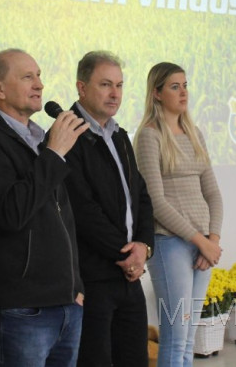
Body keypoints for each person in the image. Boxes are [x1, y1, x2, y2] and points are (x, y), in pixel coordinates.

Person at [0, 49, 89, 367]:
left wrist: (76, 286)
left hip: (65, 303)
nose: (39, 84)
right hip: (19, 307)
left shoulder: (41, 141)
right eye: (27, 76)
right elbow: (12, 212)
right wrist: (54, 154)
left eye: (40, 75)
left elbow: (64, 219)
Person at [64, 51, 154, 367]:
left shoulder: (119, 135)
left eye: (119, 85)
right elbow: (82, 210)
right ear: (81, 87)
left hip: (129, 276)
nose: (114, 93)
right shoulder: (67, 135)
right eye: (105, 84)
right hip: (93, 278)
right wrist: (126, 254)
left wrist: (144, 247)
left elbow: (140, 196)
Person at [134, 62, 223, 367]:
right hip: (169, 243)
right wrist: (202, 242)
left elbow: (213, 194)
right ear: (157, 93)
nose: (183, 92)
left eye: (185, 85)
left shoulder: (194, 132)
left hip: (201, 246)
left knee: (188, 336)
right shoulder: (149, 135)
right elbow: (155, 202)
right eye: (174, 86)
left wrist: (212, 239)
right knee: (175, 335)